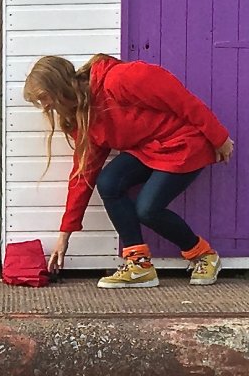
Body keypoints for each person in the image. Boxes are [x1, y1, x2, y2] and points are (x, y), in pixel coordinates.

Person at [23, 54, 234, 289]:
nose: (46, 107)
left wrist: (219, 138)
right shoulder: (84, 116)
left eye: (44, 98)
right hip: (149, 149)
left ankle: (203, 255)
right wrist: (65, 234)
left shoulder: (119, 80)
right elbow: (83, 174)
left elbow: (182, 100)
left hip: (184, 143)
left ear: (58, 86)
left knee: (147, 209)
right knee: (109, 181)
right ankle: (138, 265)